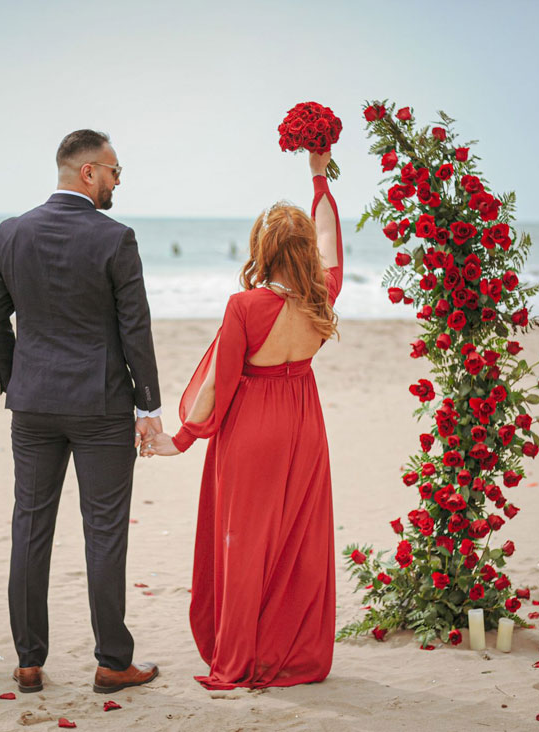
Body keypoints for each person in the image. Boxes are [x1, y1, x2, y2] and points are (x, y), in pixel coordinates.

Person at [143, 151, 342, 689]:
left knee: (245, 541)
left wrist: (180, 439)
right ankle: (293, 652)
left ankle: (242, 655)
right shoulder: (323, 295)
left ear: (262, 250)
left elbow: (218, 384)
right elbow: (330, 237)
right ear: (300, 251)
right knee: (296, 541)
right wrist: (319, 176)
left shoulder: (244, 306)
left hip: (252, 429)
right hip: (303, 426)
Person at [0, 129, 162, 695]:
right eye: (114, 171)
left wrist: (20, 381)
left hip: (33, 406)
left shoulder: (11, 233)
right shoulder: (115, 238)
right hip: (101, 404)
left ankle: (29, 662)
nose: (116, 181)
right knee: (104, 531)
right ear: (88, 172)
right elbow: (135, 326)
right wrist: (148, 404)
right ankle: (112, 662)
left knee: (29, 526)